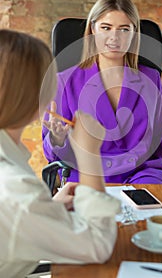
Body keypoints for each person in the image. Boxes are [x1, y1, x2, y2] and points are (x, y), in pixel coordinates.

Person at [43, 0, 162, 185]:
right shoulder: (63, 82)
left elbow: (160, 148)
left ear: (134, 33)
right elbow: (52, 157)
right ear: (93, 29)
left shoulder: (150, 79)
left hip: (142, 174)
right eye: (106, 27)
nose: (114, 37)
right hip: (87, 173)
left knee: (151, 208)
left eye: (124, 29)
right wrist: (57, 139)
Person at [0, 29, 120, 278]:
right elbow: (96, 246)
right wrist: (88, 154)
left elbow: (13, 221)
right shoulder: (17, 191)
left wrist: (49, 209)